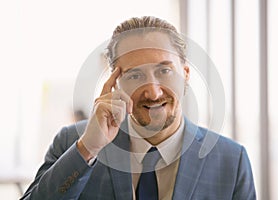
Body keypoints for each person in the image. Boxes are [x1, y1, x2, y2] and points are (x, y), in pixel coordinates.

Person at [21, 16, 256, 200]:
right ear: (115, 82)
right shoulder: (72, 142)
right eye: (135, 75)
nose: (153, 92)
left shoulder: (231, 161)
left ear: (185, 75)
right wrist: (89, 148)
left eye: (164, 71)